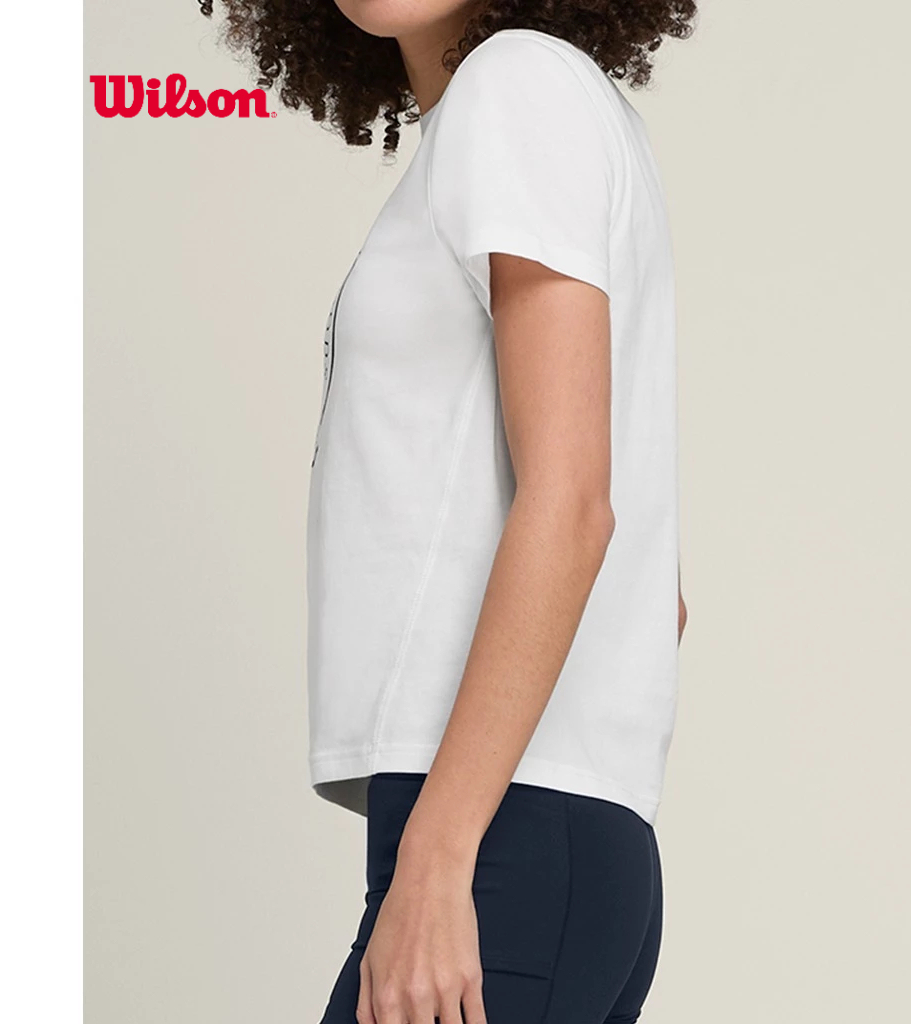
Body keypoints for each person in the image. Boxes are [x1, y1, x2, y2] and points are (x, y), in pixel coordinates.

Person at [200, 2, 695, 1021]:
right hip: (532, 837)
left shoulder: (517, 83)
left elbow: (574, 508)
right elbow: (658, 592)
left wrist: (438, 856)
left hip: (491, 839)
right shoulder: (539, 108)